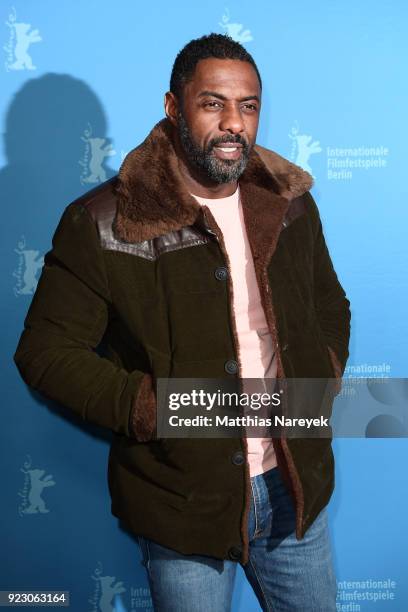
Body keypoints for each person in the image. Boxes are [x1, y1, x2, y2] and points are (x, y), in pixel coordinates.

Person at [14, 33, 351, 612]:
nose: (233, 124)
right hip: (182, 501)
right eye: (212, 103)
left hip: (294, 488)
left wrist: (320, 374)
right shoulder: (101, 221)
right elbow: (45, 352)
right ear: (173, 107)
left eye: (248, 106)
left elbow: (330, 305)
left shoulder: (289, 201)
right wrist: (149, 407)